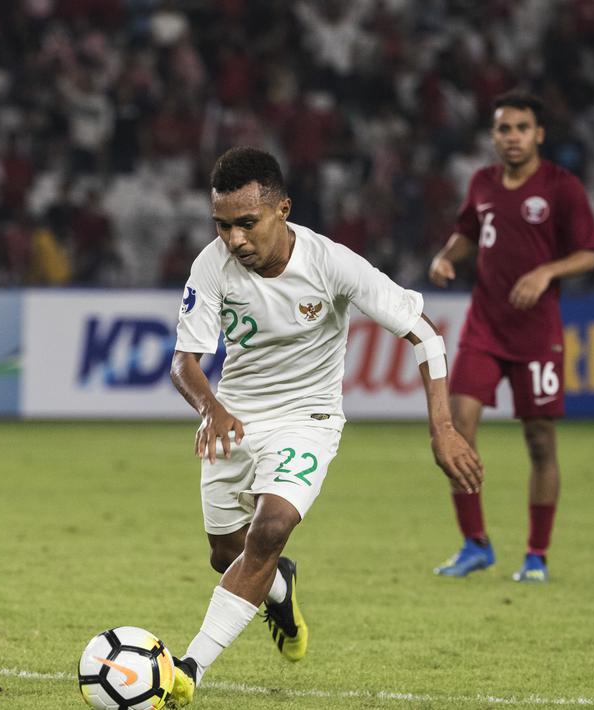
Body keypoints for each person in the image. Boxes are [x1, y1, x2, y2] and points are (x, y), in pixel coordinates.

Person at [166, 147, 483, 705]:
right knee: (227, 555)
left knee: (269, 530)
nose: (234, 239)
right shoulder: (210, 265)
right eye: (222, 225)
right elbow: (184, 361)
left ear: (282, 209)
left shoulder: (333, 263)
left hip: (307, 418)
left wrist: (443, 428)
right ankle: (279, 586)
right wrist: (210, 408)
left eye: (247, 223)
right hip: (234, 418)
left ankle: (188, 670)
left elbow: (425, 334)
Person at [429, 91, 594, 583]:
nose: (513, 137)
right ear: (493, 136)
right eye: (504, 129)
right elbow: (466, 233)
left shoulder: (562, 188)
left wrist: (546, 272)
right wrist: (445, 256)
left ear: (539, 134)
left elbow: (589, 253)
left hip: (536, 334)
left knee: (540, 442)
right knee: (457, 429)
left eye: (522, 128)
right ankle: (475, 544)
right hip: (484, 326)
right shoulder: (482, 182)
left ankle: (537, 555)